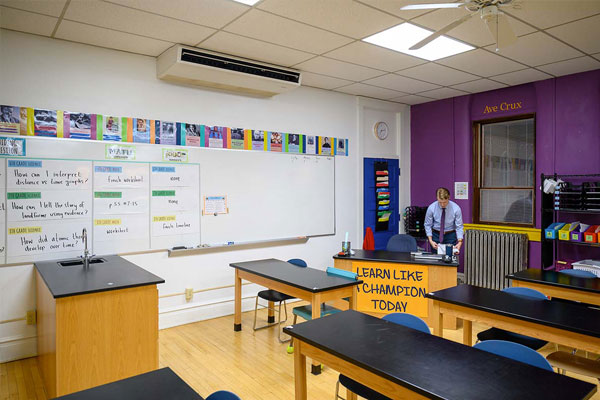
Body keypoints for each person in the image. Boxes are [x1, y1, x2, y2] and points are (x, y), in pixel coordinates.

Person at [424, 187, 464, 254]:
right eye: (440, 202)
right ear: (437, 198)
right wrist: (430, 240)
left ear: (449, 198)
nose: (442, 205)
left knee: (450, 258)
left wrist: (460, 242)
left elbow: (459, 226)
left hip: (450, 235)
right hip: (436, 235)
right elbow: (427, 225)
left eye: (445, 202)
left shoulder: (456, 209)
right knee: (435, 258)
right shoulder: (431, 208)